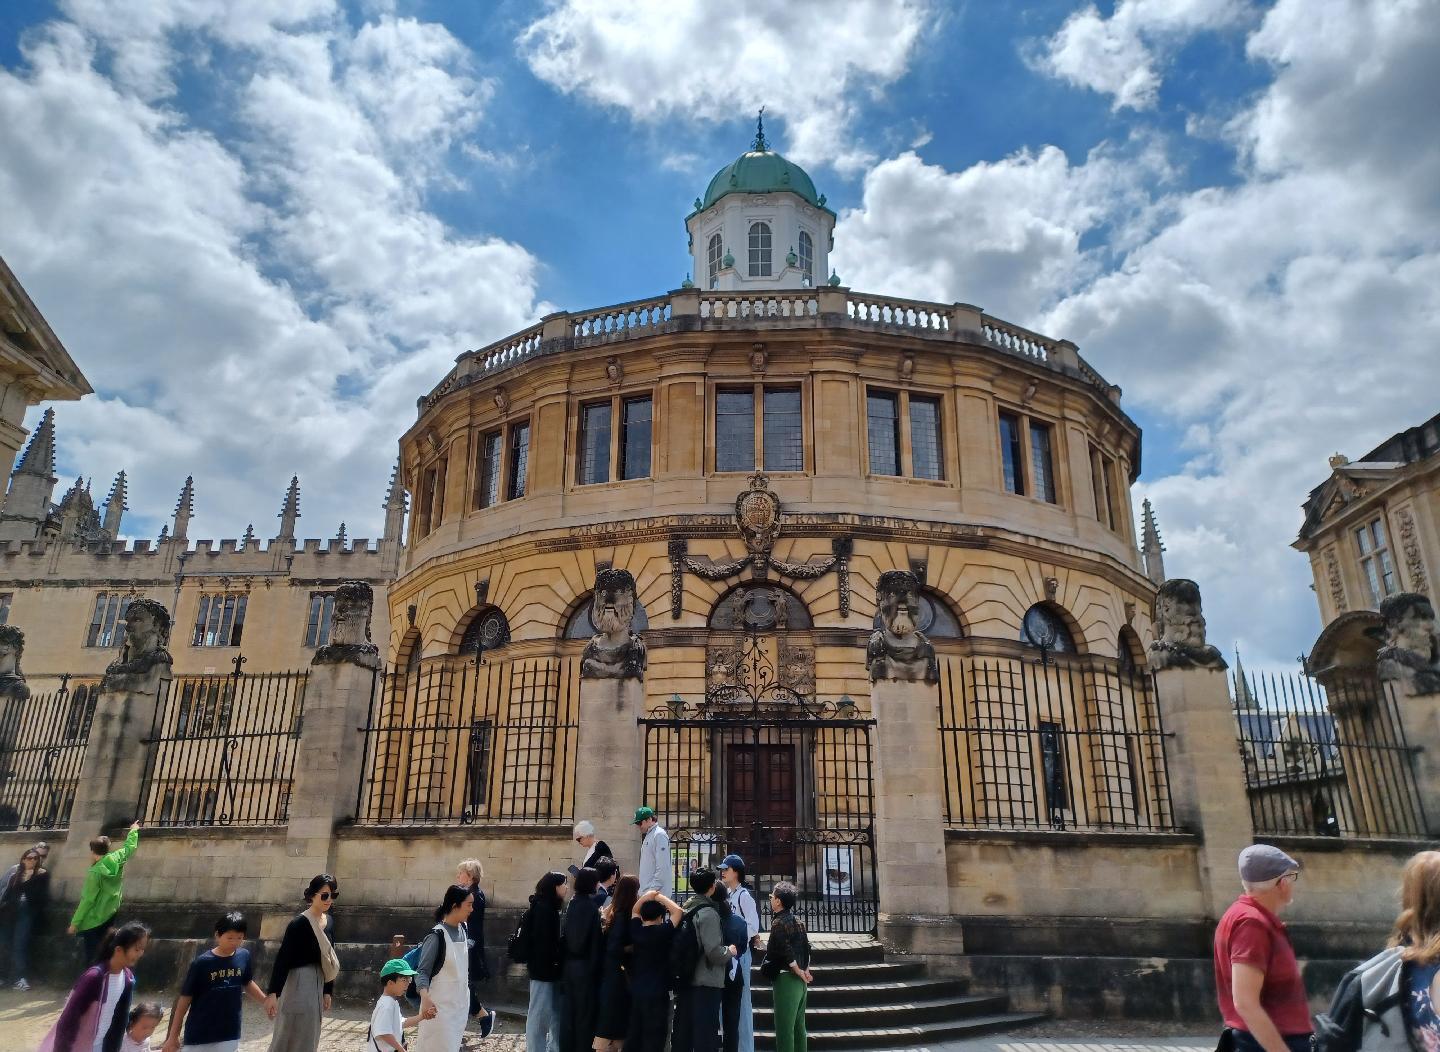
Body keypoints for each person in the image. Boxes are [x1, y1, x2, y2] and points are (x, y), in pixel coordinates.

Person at [1214, 845, 1310, 1052]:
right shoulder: (1252, 923)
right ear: (1282, 883)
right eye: (1292, 877)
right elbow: (1245, 1003)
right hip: (1264, 1044)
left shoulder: (1249, 918)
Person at [160, 911, 267, 1052]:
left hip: (229, 1032)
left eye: (239, 938)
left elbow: (247, 982)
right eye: (230, 938)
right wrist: (173, 1036)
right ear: (217, 935)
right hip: (200, 1034)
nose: (234, 942)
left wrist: (265, 1001)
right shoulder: (202, 963)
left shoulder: (244, 956)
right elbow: (185, 1000)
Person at [40, 920, 150, 1052]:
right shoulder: (94, 978)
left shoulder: (128, 979)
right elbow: (69, 1019)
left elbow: (119, 1024)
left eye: (142, 950)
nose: (140, 954)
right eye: (136, 949)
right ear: (119, 950)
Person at [265, 875, 341, 1052]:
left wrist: (328, 991)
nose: (329, 900)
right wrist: (273, 993)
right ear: (312, 895)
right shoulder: (298, 924)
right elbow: (283, 959)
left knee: (310, 1033)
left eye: (332, 895)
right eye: (324, 895)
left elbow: (329, 956)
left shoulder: (329, 921)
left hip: (319, 980)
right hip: (298, 980)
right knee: (288, 1031)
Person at [671, 868, 735, 1052]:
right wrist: (729, 951)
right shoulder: (708, 913)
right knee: (705, 1036)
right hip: (706, 980)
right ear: (712, 887)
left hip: (686, 977)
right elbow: (714, 952)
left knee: (684, 1033)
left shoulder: (686, 908)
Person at [69, 822, 141, 963]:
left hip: (93, 918)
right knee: (105, 951)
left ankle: (92, 981)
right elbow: (129, 848)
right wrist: (133, 831)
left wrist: (74, 923)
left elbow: (88, 900)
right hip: (110, 912)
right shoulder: (116, 858)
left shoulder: (95, 872)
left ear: (93, 852)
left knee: (91, 955)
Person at [414, 885, 473, 1052]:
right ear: (455, 906)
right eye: (468, 904)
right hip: (438, 1011)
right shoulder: (436, 936)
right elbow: (422, 971)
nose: (472, 909)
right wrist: (425, 998)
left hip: (459, 1008)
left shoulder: (463, 929)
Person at [625, 892, 682, 1052]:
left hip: (637, 990)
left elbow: (635, 911)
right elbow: (678, 911)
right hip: (658, 992)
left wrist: (647, 896)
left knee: (635, 1032)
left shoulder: (636, 932)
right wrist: (659, 896)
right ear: (660, 916)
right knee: (655, 1037)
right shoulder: (663, 932)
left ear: (642, 917)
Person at [761, 883, 812, 1052]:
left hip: (786, 979)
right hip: (800, 981)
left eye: (771, 897)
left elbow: (786, 949)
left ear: (778, 901)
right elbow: (807, 948)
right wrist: (805, 971)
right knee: (799, 1028)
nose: (770, 900)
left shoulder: (778, 922)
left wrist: (797, 970)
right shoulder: (799, 921)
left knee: (784, 1030)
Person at [593, 874, 640, 1051]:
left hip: (613, 976)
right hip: (618, 978)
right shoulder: (623, 915)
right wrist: (633, 948)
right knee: (613, 1028)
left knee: (614, 1027)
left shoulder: (614, 911)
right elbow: (615, 948)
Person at [718, 856, 759, 1052]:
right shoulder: (726, 894)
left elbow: (753, 926)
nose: (723, 872)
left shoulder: (744, 896)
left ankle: (745, 1048)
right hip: (728, 954)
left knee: (742, 1004)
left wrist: (738, 937)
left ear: (736, 872)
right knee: (729, 1004)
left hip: (740, 953)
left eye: (726, 869)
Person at [454, 858, 499, 1039]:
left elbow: (472, 924)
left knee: (464, 986)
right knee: (462, 986)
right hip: (464, 942)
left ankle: (482, 1016)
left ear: (470, 876)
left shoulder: (475, 895)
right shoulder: (466, 893)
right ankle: (481, 1016)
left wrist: (467, 943)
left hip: (469, 945)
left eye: (461, 873)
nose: (458, 876)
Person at [523, 871, 567, 1052]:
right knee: (539, 1016)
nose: (566, 887)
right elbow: (543, 943)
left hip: (551, 970)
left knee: (555, 1014)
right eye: (564, 884)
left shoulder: (548, 907)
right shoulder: (543, 908)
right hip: (542, 971)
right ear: (555, 887)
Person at [562, 868, 605, 1052]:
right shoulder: (591, 907)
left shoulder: (572, 903)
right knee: (584, 1017)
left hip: (570, 966)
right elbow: (595, 943)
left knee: (569, 1015)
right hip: (586, 967)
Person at [1, 843, 50, 990]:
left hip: (26, 912)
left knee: (19, 944)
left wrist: (29, 879)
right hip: (10, 912)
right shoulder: (15, 874)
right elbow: (8, 893)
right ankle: (3, 976)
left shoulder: (41, 875)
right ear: (23, 859)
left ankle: (20, 978)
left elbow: (39, 897)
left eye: (36, 858)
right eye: (29, 858)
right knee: (4, 943)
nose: (33, 861)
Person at [369, 958, 427, 1052]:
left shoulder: (391, 1002)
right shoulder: (386, 1005)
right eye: (404, 979)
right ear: (390, 983)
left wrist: (423, 1016)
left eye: (409, 979)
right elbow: (384, 1033)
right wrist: (401, 1049)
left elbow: (401, 1023)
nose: (408, 984)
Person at [634, 808, 673, 899]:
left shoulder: (659, 835)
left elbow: (662, 867)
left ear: (649, 819)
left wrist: (651, 891)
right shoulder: (650, 835)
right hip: (649, 893)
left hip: (655, 895)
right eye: (637, 824)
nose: (638, 826)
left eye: (640, 823)